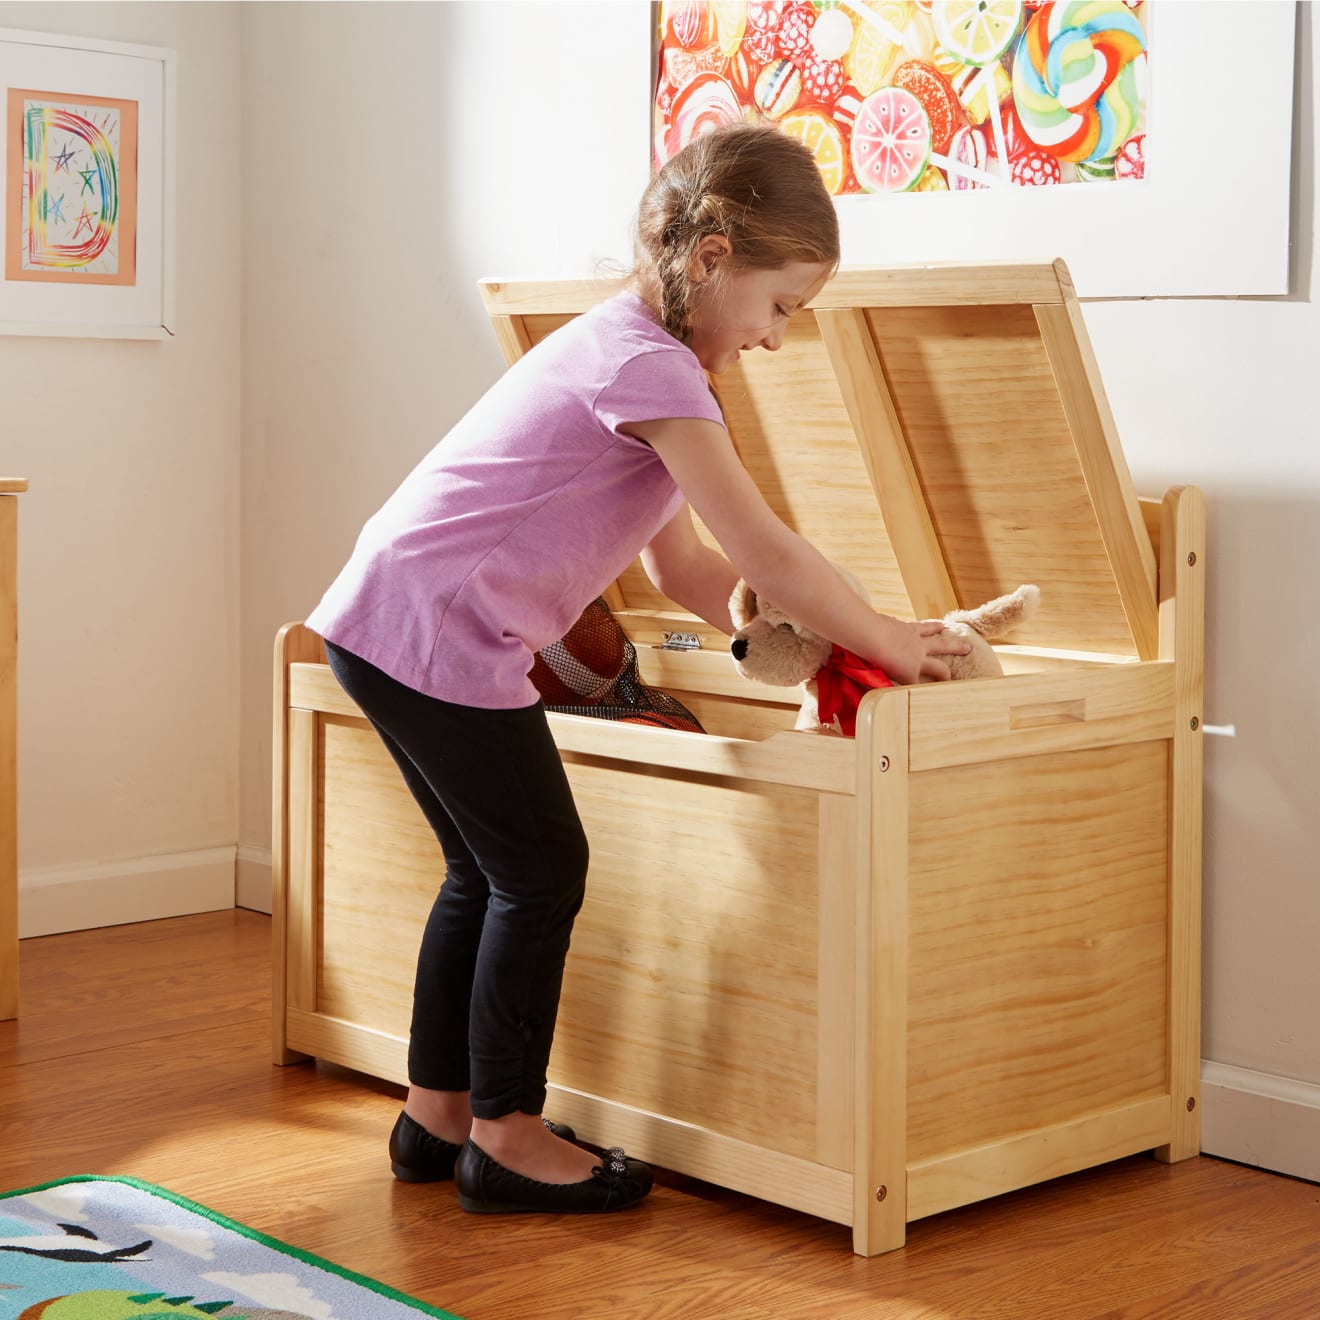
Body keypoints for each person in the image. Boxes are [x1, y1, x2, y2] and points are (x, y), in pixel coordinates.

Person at [306, 122, 969, 1218]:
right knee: (539, 872)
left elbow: (688, 563)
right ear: (710, 256)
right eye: (781, 307)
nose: (776, 338)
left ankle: (438, 1117)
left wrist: (756, 637)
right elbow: (767, 549)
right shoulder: (647, 363)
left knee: (483, 872)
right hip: (440, 630)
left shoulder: (647, 354)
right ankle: (509, 1134)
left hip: (388, 615)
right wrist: (888, 640)